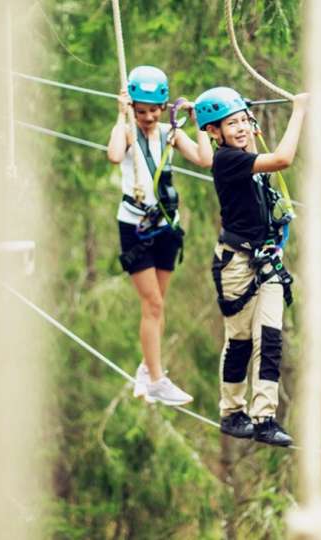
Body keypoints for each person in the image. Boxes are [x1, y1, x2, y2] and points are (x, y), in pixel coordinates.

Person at [193, 87, 307, 446]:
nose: (241, 128)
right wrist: (299, 111)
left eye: (244, 120)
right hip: (236, 265)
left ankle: (264, 417)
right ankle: (231, 411)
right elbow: (283, 159)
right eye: (231, 123)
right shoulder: (226, 160)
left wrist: (246, 117)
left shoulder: (244, 154)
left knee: (270, 338)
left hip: (266, 260)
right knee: (240, 341)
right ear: (215, 132)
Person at [106, 65, 213, 406]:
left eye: (154, 110)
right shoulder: (127, 133)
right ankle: (156, 378)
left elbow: (204, 160)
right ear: (133, 108)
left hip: (167, 226)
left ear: (164, 107)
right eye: (142, 111)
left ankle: (146, 368)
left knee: (157, 305)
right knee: (152, 303)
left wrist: (200, 127)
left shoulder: (170, 133)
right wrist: (121, 117)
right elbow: (112, 156)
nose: (149, 117)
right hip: (135, 228)